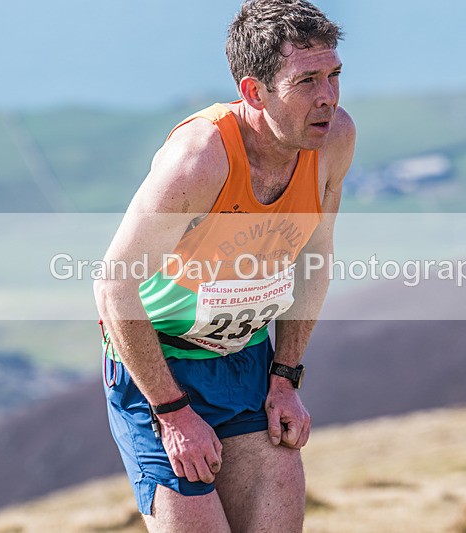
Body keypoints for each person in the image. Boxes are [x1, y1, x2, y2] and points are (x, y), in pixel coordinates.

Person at [93, 1, 355, 531]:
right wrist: (172, 411)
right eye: (306, 81)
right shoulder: (200, 159)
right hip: (160, 367)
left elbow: (315, 257)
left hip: (248, 361)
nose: (327, 97)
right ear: (254, 91)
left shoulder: (333, 141)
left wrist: (285, 378)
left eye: (334, 75)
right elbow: (113, 286)